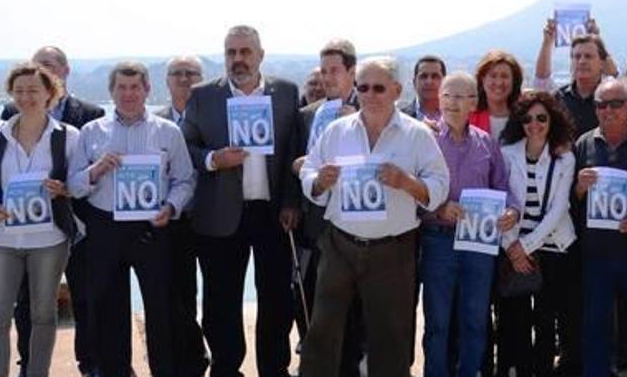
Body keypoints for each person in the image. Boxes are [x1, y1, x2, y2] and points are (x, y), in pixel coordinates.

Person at [299, 56, 449, 376]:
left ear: (396, 90)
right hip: (340, 244)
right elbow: (309, 169)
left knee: (390, 337)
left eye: (378, 88)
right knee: (323, 330)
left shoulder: (417, 134)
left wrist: (407, 182)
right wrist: (318, 181)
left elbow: (440, 183)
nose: (369, 94)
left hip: (392, 250)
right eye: (362, 87)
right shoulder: (337, 131)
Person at [181, 25, 302, 377]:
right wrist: (213, 159)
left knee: (276, 299)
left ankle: (273, 368)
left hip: (274, 213)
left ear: (260, 55)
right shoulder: (203, 95)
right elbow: (184, 148)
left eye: (245, 52)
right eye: (231, 52)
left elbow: (296, 149)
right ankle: (225, 368)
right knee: (220, 302)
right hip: (220, 215)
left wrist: (292, 202)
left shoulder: (286, 92)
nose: (238, 59)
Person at [70, 61, 195, 377]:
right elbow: (73, 186)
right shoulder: (91, 132)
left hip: (152, 227)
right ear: (111, 91)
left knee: (161, 308)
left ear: (147, 89)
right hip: (105, 226)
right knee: (110, 310)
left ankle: (165, 370)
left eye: (135, 87)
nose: (128, 94)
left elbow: (185, 180)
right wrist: (95, 171)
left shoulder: (168, 131)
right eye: (121, 88)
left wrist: (172, 206)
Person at [0, 46, 106, 377]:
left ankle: (91, 363)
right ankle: (29, 363)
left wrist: (68, 187)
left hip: (77, 222)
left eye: (48, 65)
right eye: (36, 65)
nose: (42, 70)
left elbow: (92, 168)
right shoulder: (8, 113)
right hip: (28, 223)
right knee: (27, 300)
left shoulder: (91, 113)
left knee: (87, 297)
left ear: (65, 71)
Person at [0, 62, 87, 377]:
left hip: (49, 239)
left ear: (50, 94)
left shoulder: (68, 136)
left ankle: (37, 373)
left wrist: (64, 188)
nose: (26, 97)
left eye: (33, 91)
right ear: (12, 94)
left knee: (43, 314)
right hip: (2, 238)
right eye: (19, 91)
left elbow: (80, 181)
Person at [421, 72, 517, 377]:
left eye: (460, 96)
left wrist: (511, 212)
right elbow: (413, 193)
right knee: (437, 322)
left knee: (475, 319)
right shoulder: (425, 140)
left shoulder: (487, 144)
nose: (452, 102)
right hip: (438, 240)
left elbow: (502, 188)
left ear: (474, 102)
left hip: (478, 244)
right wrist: (438, 209)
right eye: (447, 95)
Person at [572, 79, 627, 377]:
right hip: (596, 255)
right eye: (601, 104)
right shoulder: (583, 144)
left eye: (616, 103)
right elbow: (570, 200)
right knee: (596, 325)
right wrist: (580, 189)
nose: (608, 110)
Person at [293, 38, 365, 377]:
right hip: (319, 225)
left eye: (334, 70)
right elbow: (291, 165)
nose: (327, 77)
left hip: (362, 224)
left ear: (352, 71)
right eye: (323, 71)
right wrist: (301, 169)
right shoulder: (310, 113)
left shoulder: (373, 109)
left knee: (357, 311)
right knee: (323, 305)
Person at [496, 90, 577, 377]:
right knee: (515, 318)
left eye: (541, 117)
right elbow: (501, 202)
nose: (535, 124)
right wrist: (511, 247)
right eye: (528, 118)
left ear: (552, 119)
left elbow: (559, 208)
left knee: (546, 319)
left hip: (552, 247)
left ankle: (542, 370)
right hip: (514, 246)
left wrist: (526, 246)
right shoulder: (506, 154)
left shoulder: (564, 157)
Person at [153, 54, 208, 375]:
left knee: (216, 298)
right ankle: (190, 357)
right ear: (167, 80)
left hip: (214, 217)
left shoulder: (217, 117)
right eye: (177, 73)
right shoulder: (154, 122)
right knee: (178, 294)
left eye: (191, 73)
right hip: (173, 221)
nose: (184, 79)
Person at [472, 50, 524, 142]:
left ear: (514, 81)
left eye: (504, 76)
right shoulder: (468, 118)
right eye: (493, 76)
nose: (499, 82)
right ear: (482, 79)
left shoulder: (525, 118)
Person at [400, 55, 446, 124]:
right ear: (414, 82)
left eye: (435, 76)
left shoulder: (460, 117)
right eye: (423, 76)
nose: (429, 82)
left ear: (445, 82)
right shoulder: (400, 119)